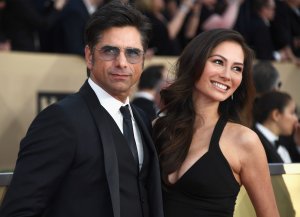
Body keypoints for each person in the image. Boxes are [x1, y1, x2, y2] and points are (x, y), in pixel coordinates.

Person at [0, 1, 164, 217]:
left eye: (133, 53)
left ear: (143, 60)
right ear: (89, 56)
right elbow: (19, 210)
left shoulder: (142, 118)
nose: (122, 62)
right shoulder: (60, 120)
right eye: (110, 51)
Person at [153, 29, 279, 217]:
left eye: (237, 68)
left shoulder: (244, 141)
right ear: (195, 62)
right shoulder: (159, 128)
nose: (227, 75)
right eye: (218, 62)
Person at [253, 91, 299, 163]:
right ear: (276, 115)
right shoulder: (253, 139)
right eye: (292, 113)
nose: (296, 119)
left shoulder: (286, 143)